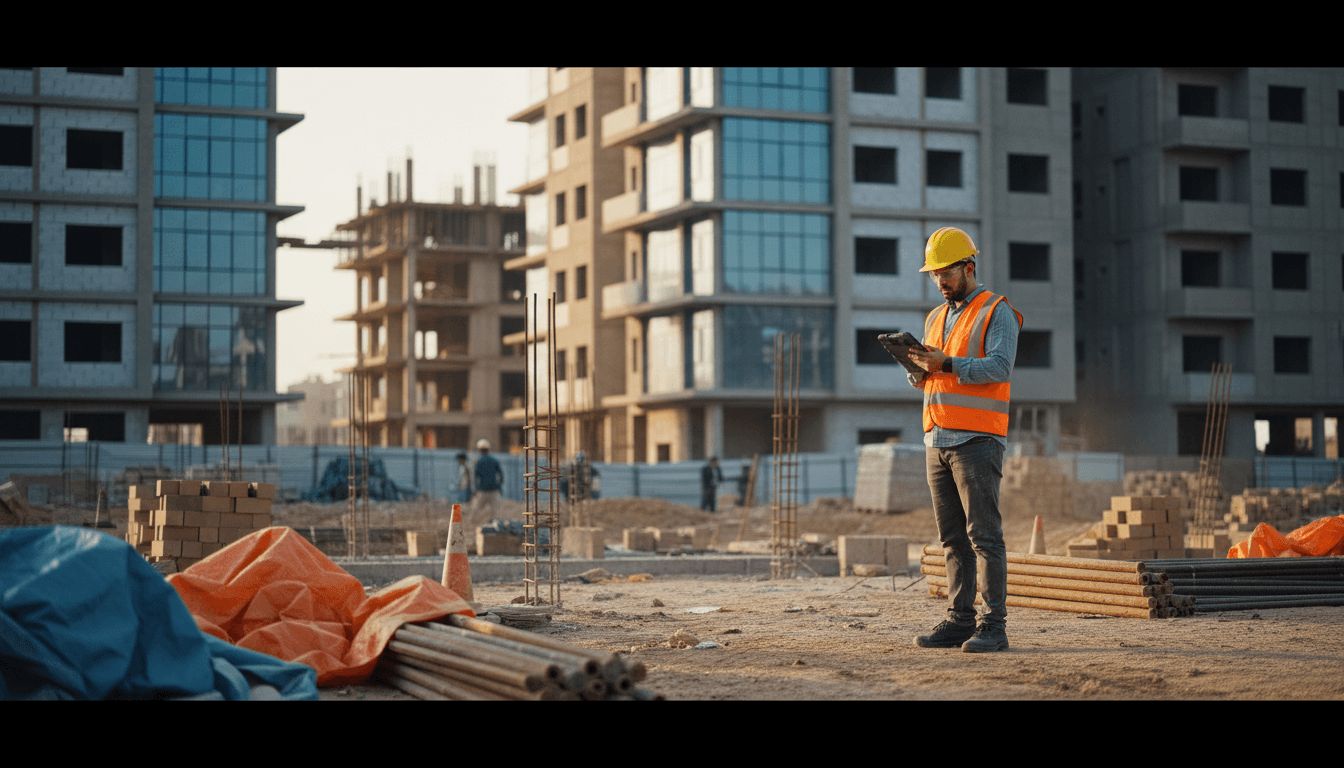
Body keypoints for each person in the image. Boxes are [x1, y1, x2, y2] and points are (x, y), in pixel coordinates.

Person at [906, 227, 1022, 654]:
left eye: (945, 272)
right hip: (936, 438)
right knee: (952, 539)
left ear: (969, 267)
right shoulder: (936, 317)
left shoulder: (997, 311)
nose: (939, 281)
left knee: (985, 537)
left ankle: (994, 625)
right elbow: (933, 373)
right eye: (934, 274)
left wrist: (948, 363)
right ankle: (959, 620)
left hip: (976, 438)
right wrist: (918, 369)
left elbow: (999, 367)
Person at [471, 438, 504, 518]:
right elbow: (501, 475)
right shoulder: (494, 460)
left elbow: (475, 477)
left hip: (483, 490)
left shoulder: (478, 461)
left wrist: (475, 490)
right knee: (496, 512)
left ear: (479, 449)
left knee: (476, 510)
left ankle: (475, 523)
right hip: (494, 489)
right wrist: (499, 486)